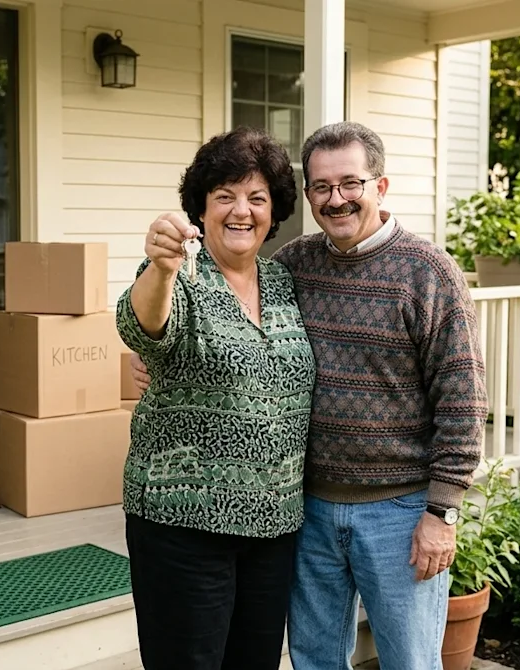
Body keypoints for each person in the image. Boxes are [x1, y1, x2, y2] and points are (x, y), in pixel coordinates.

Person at [130, 121, 488, 670]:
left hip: (387, 511)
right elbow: (161, 326)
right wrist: (156, 341)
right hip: (289, 512)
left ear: (380, 186)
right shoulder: (276, 266)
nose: (336, 198)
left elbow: (462, 399)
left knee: (411, 662)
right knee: (314, 659)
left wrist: (443, 511)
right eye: (321, 186)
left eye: (351, 183)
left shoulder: (421, 272)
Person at [115, 126, 317, 670]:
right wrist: (160, 267)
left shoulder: (284, 280)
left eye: (256, 198)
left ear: (274, 213)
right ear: (200, 209)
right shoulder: (180, 275)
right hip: (184, 523)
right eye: (224, 196)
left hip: (273, 526)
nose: (241, 211)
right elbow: (144, 326)